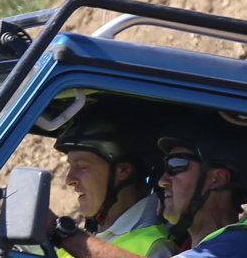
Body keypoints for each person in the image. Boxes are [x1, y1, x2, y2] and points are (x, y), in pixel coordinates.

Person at [54, 122, 247, 258]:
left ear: (217, 178)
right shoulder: (193, 248)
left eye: (176, 166)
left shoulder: (241, 242)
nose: (163, 181)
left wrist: (63, 233)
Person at [52, 106, 165, 250]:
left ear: (123, 170)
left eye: (81, 166)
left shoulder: (154, 249)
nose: (69, 180)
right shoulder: (92, 236)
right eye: (70, 166)